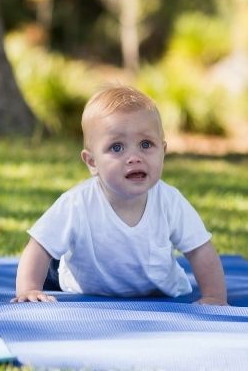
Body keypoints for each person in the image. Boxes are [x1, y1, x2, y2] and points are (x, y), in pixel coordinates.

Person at [12, 85, 227, 305]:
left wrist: (214, 296)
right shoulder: (77, 203)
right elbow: (40, 245)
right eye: (117, 148)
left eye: (146, 144)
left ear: (163, 151)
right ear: (92, 162)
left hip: (157, 291)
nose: (134, 157)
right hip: (86, 285)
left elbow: (200, 250)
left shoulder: (170, 202)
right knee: (51, 265)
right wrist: (28, 288)